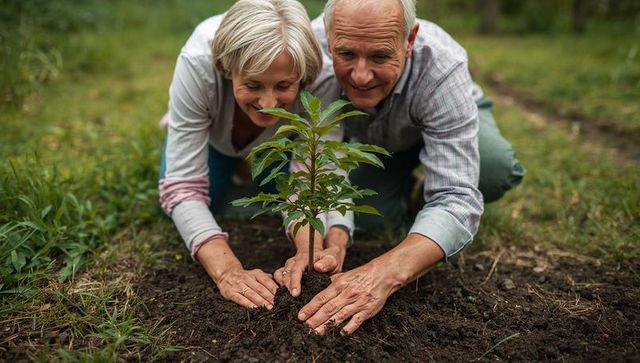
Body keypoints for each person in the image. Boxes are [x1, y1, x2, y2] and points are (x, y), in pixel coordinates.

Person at [274, 0, 526, 334]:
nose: (361, 75)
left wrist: (383, 273)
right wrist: (324, 242)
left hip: (437, 121)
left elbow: (457, 198)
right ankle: (408, 188)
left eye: (380, 56)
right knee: (373, 219)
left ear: (410, 40)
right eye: (346, 54)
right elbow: (317, 163)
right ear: (329, 39)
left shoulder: (441, 65)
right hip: (371, 143)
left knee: (490, 170)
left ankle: (429, 188)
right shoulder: (311, 55)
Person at [158, 0, 351, 310]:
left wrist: (307, 251)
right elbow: (182, 188)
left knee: (277, 193)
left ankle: (251, 169)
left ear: (303, 75)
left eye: (284, 85)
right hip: (214, 138)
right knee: (206, 201)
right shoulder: (198, 63)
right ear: (228, 69)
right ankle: (224, 158)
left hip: (278, 141)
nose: (270, 102)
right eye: (253, 84)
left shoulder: (321, 75)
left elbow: (311, 176)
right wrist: (228, 271)